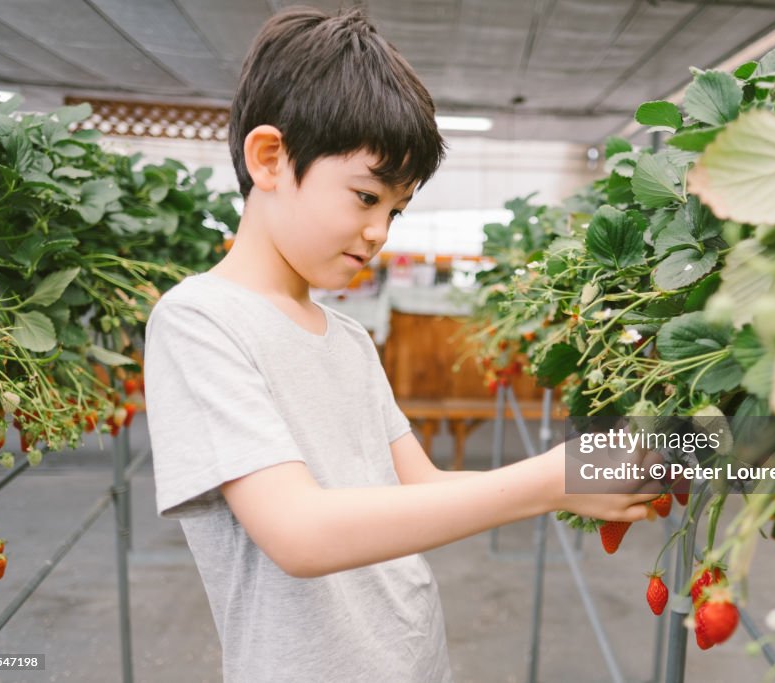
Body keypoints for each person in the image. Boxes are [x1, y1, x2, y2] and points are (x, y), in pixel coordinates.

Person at [143, 6, 657, 682]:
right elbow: (297, 531)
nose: (381, 231)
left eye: (396, 209)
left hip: (413, 656)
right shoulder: (200, 321)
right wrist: (549, 480)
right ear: (269, 158)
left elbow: (426, 488)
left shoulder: (350, 339)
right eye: (364, 196)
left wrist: (593, 472)